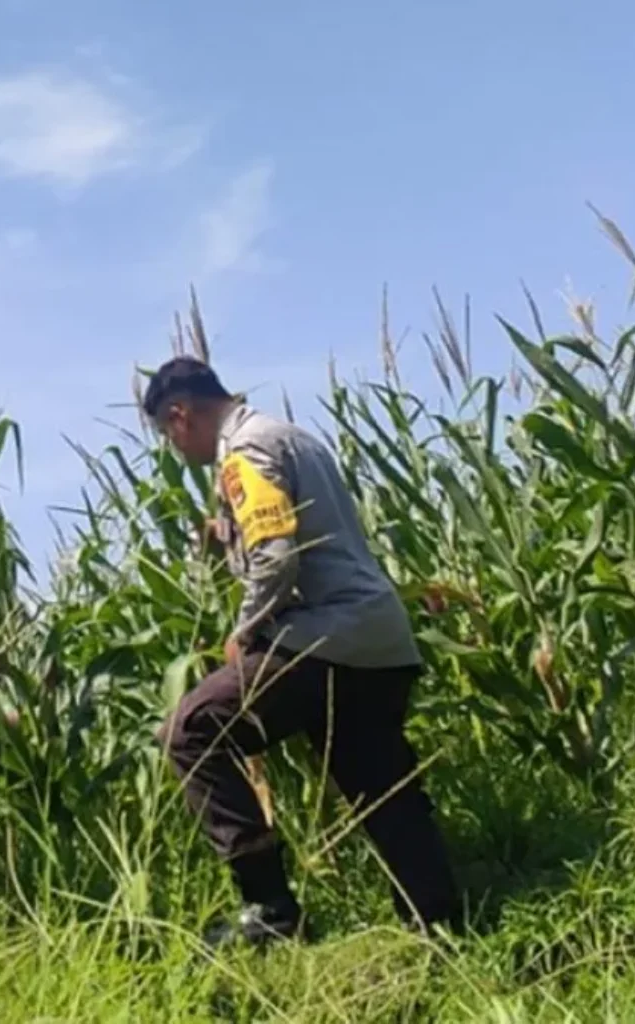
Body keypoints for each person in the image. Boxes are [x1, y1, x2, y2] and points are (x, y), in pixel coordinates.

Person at [144, 357, 461, 947]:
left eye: (168, 432)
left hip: (323, 637)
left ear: (180, 414)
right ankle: (437, 922)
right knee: (378, 781)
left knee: (191, 730)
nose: (173, 445)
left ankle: (270, 908)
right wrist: (224, 535)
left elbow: (276, 556)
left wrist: (245, 631)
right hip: (379, 640)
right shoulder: (290, 436)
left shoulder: (244, 454)